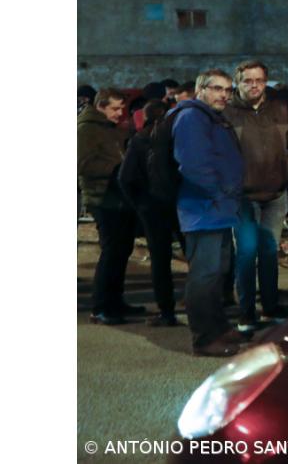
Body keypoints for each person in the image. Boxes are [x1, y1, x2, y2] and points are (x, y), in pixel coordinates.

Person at [172, 69, 245, 356]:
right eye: (217, 89)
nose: (223, 95)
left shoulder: (210, 117)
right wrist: (218, 193)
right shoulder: (192, 117)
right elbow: (192, 165)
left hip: (217, 209)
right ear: (201, 89)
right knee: (204, 276)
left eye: (228, 90)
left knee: (216, 273)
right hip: (203, 209)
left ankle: (219, 328)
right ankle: (204, 338)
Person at [223, 60, 288, 334]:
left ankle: (270, 306)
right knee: (245, 253)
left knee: (269, 251)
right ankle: (246, 312)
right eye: (247, 81)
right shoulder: (227, 113)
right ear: (237, 83)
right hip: (242, 197)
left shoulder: (280, 109)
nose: (254, 86)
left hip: (276, 195)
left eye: (259, 80)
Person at [79, 88, 141, 326]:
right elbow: (82, 164)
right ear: (100, 107)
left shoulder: (111, 128)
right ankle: (102, 306)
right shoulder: (87, 129)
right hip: (102, 198)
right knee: (111, 252)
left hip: (118, 197)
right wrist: (119, 171)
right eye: (115, 108)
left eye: (121, 108)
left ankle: (115, 301)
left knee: (121, 251)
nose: (120, 113)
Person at [117, 100, 181, 327]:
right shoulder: (178, 136)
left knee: (160, 261)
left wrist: (140, 205)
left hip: (153, 208)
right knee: (195, 256)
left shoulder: (140, 138)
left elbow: (125, 178)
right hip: (182, 204)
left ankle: (166, 311)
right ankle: (204, 305)